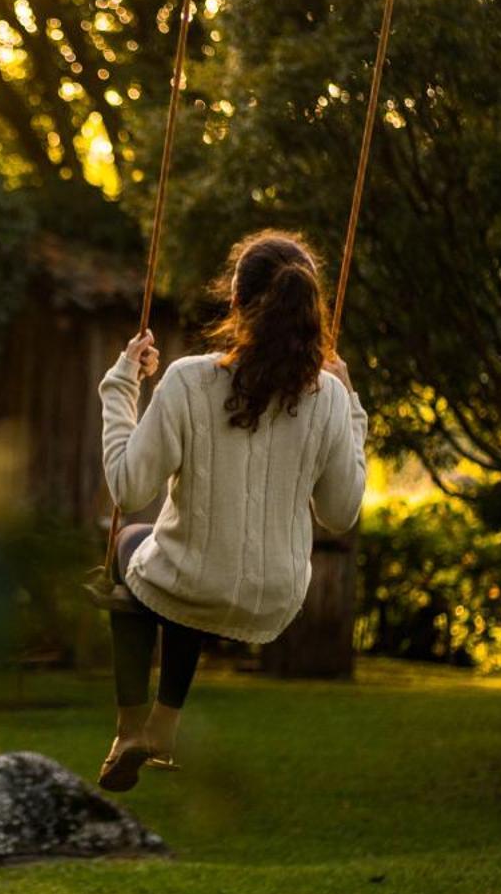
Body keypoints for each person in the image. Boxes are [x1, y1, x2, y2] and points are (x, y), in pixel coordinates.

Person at [96, 230, 368, 791]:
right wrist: (352, 407)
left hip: (191, 578)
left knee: (133, 554)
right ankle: (165, 727)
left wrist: (122, 384)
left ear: (237, 303)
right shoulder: (329, 397)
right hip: (276, 597)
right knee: (181, 573)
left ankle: (129, 730)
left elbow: (127, 490)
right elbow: (341, 514)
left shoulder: (190, 380)